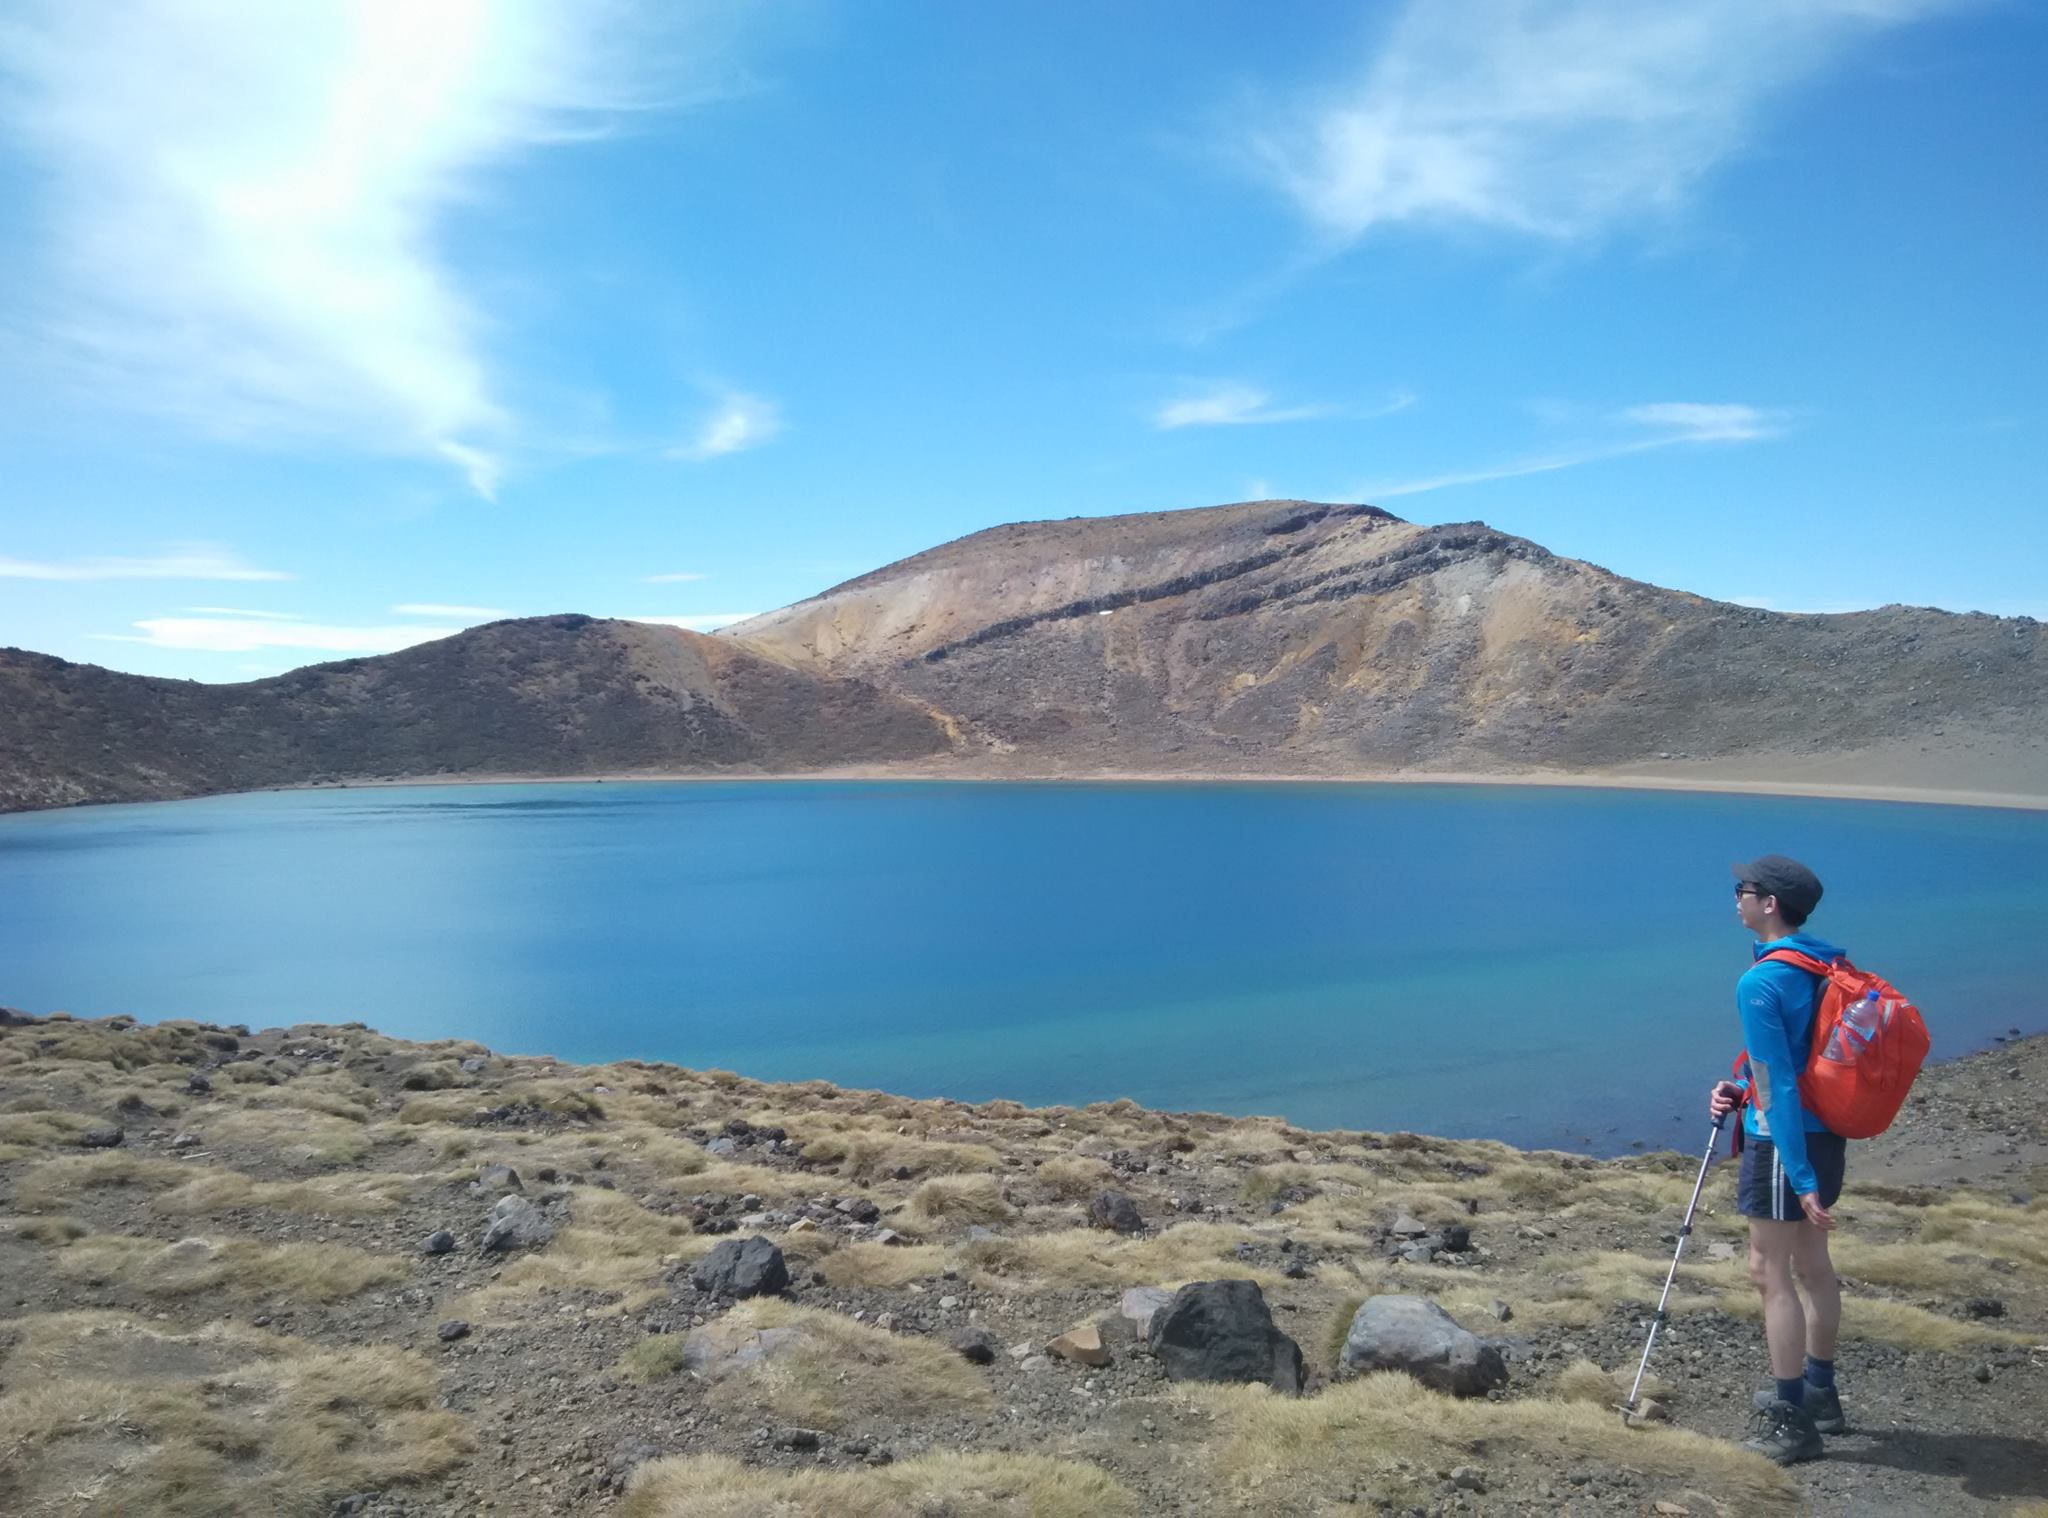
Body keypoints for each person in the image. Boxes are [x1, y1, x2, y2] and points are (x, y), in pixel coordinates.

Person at [1709, 854, 1848, 1466]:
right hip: (1827, 1130)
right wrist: (1744, 1087)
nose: (1735, 899)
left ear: (1769, 904)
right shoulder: (1825, 960)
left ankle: (1790, 1417)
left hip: (1785, 1141)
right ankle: (1822, 1391)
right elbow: (1784, 1064)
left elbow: (1780, 1085)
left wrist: (1799, 1175)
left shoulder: (1761, 981)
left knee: (1769, 1270)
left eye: (1743, 891)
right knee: (1813, 1262)